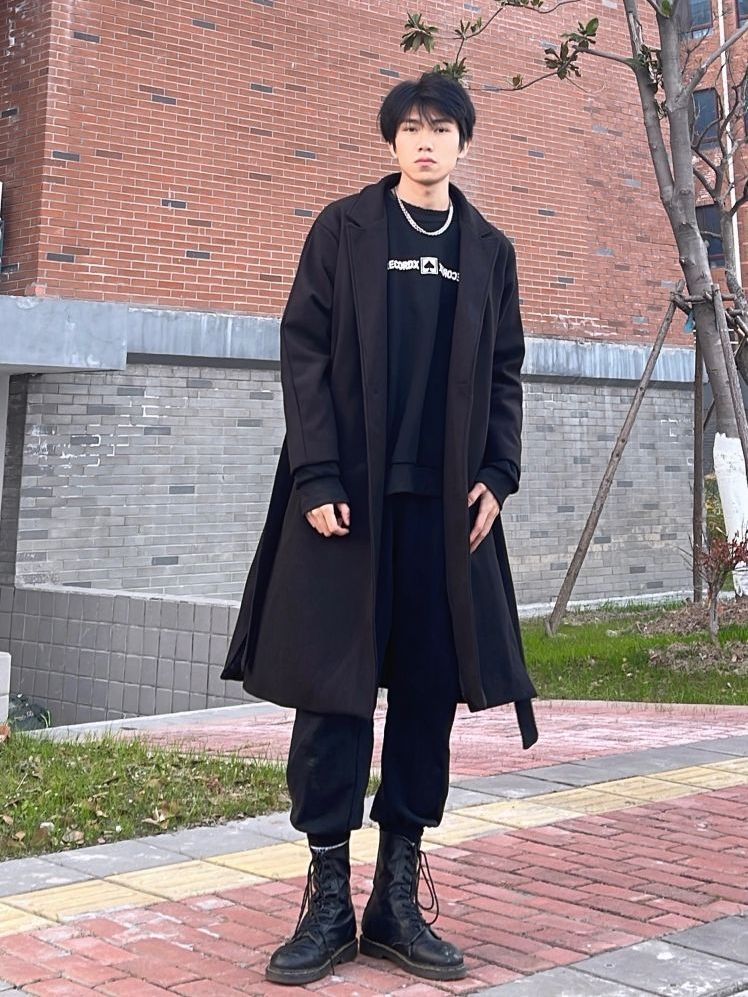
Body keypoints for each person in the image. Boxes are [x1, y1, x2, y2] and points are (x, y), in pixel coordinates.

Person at [221, 70, 538, 986]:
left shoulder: (490, 250)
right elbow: (304, 353)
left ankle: (395, 901)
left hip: (446, 516)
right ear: (392, 141)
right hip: (346, 507)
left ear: (464, 142)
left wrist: (499, 474)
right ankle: (327, 900)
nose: (426, 141)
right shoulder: (344, 230)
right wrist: (316, 471)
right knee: (334, 696)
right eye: (411, 128)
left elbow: (506, 370)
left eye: (442, 128)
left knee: (429, 696)